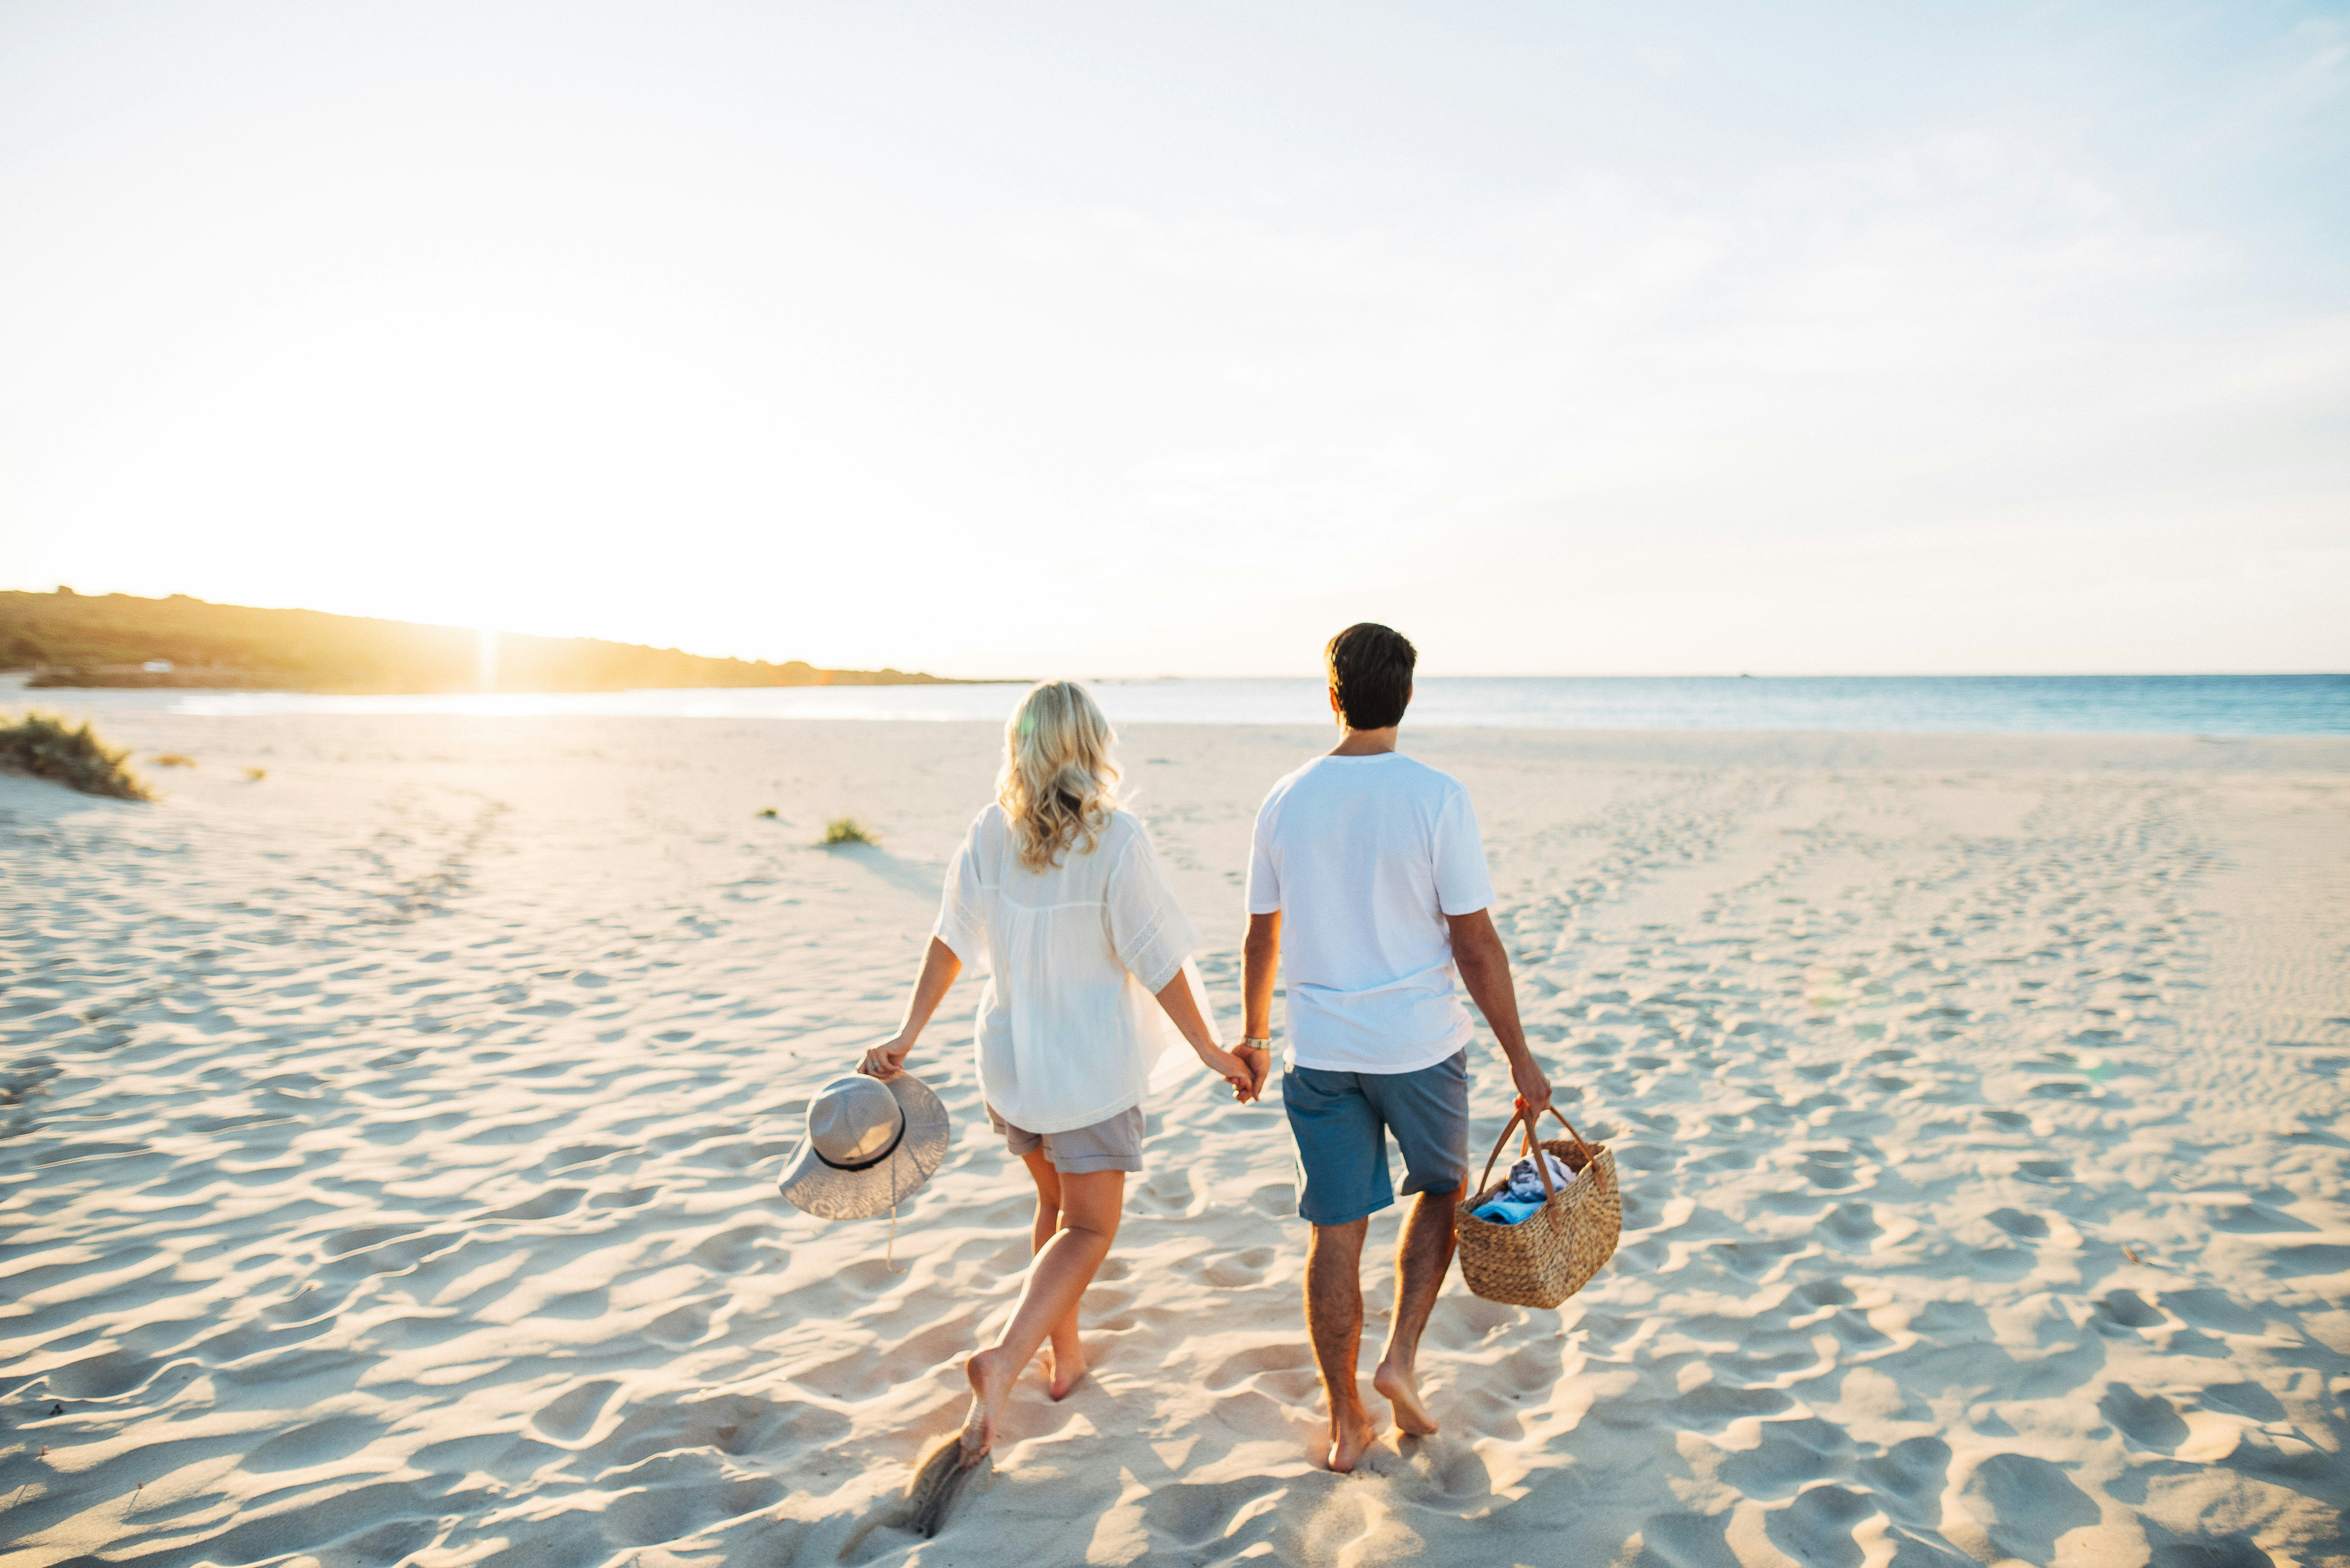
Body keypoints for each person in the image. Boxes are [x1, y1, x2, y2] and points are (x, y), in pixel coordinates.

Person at [858, 679, 1257, 1469]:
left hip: (1014, 1061)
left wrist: (907, 1033)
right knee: (1089, 1226)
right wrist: (1214, 1050)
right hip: (1085, 1067)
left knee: (1053, 1207)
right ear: (1089, 745)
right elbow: (1156, 954)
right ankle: (1004, 1357)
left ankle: (1063, 1358)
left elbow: (950, 940)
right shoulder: (1114, 836)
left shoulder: (989, 831)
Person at [1239, 622, 1553, 1473]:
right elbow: (1476, 942)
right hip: (1419, 1046)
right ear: (1406, 698)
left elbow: (1260, 939)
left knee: (1334, 1234)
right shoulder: (1438, 796)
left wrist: (1256, 1037)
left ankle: (1346, 1422)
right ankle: (1402, 1358)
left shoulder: (1285, 799)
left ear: (1333, 696)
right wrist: (1521, 1056)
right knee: (1444, 1191)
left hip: (1322, 1051)